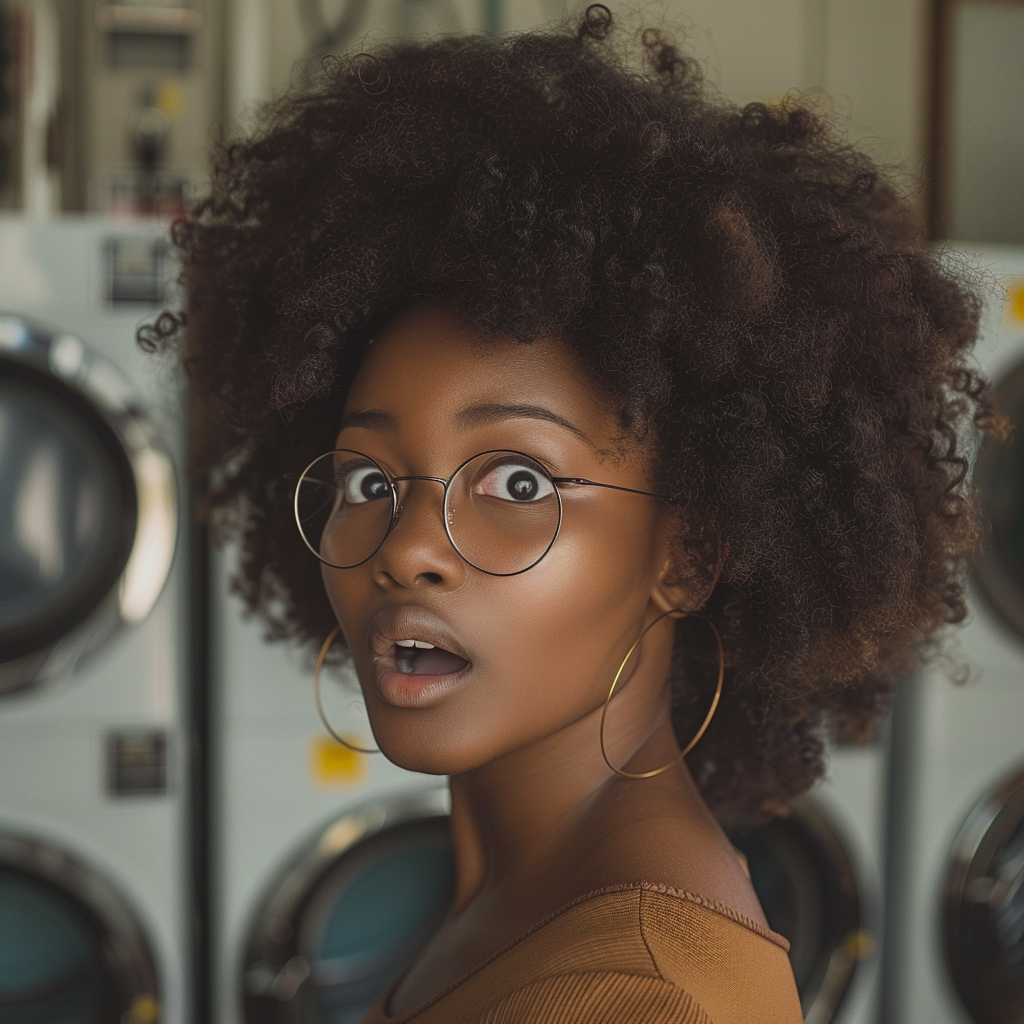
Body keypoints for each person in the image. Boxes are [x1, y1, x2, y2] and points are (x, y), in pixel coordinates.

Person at [144, 7, 1003, 1021]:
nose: (409, 549)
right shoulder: (519, 900)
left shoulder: (640, 995)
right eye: (369, 481)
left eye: (516, 484)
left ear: (685, 554)